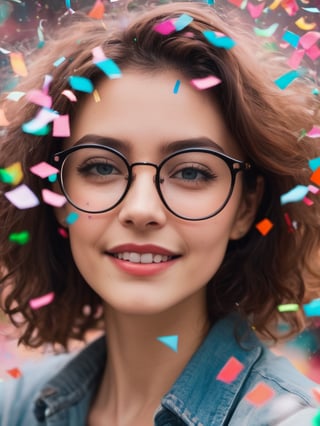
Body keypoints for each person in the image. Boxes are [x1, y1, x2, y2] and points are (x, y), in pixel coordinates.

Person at [0, 1, 320, 425]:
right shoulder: (15, 407)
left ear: (246, 207)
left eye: (191, 171)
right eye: (101, 167)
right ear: (56, 193)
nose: (141, 209)